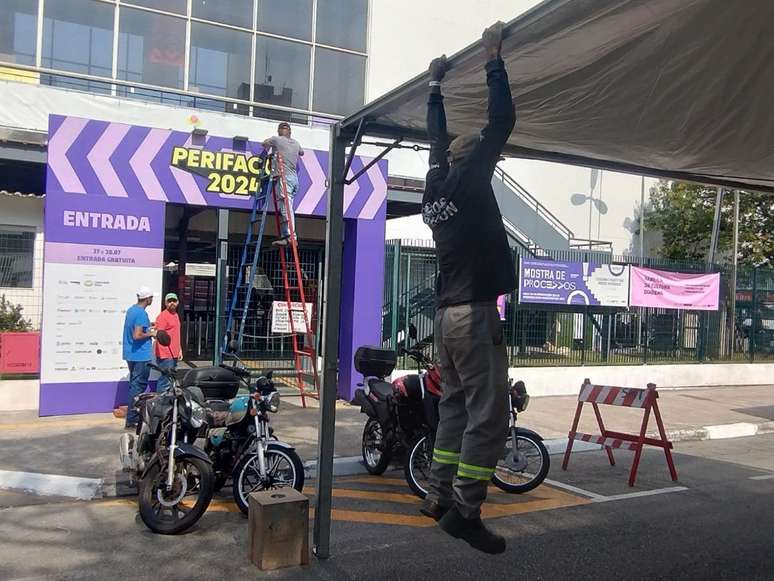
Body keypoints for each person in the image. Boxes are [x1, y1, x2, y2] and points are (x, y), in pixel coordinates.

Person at [419, 22, 516, 555]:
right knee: (489, 413)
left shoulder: (437, 185)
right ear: (478, 158)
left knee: (455, 405)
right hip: (474, 315)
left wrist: (434, 88)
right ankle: (466, 509)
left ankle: (437, 494)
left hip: (445, 316)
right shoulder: (475, 177)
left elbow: (436, 139)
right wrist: (493, 59)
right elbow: (502, 120)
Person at [263, 122, 304, 246]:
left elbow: (264, 143)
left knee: (286, 208)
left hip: (284, 178)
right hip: (294, 179)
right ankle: (287, 235)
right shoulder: (296, 143)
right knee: (286, 207)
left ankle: (291, 237)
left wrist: (271, 149)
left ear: (279, 131)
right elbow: (301, 153)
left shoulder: (276, 139)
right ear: (290, 132)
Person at [122, 286, 157, 429]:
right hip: (141, 355)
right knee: (138, 386)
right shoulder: (141, 313)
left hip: (131, 354)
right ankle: (132, 419)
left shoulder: (132, 310)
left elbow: (136, 328)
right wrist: (152, 334)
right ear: (147, 299)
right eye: (151, 298)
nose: (152, 300)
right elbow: (137, 335)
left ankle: (132, 417)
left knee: (134, 384)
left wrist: (148, 326)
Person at [154, 292, 183, 392]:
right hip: (165, 355)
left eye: (174, 301)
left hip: (174, 353)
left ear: (178, 302)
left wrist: (179, 350)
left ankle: (168, 403)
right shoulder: (163, 316)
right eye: (169, 301)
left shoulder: (176, 315)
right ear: (165, 303)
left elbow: (176, 334)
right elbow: (159, 335)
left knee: (170, 380)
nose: (172, 303)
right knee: (165, 380)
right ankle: (161, 404)